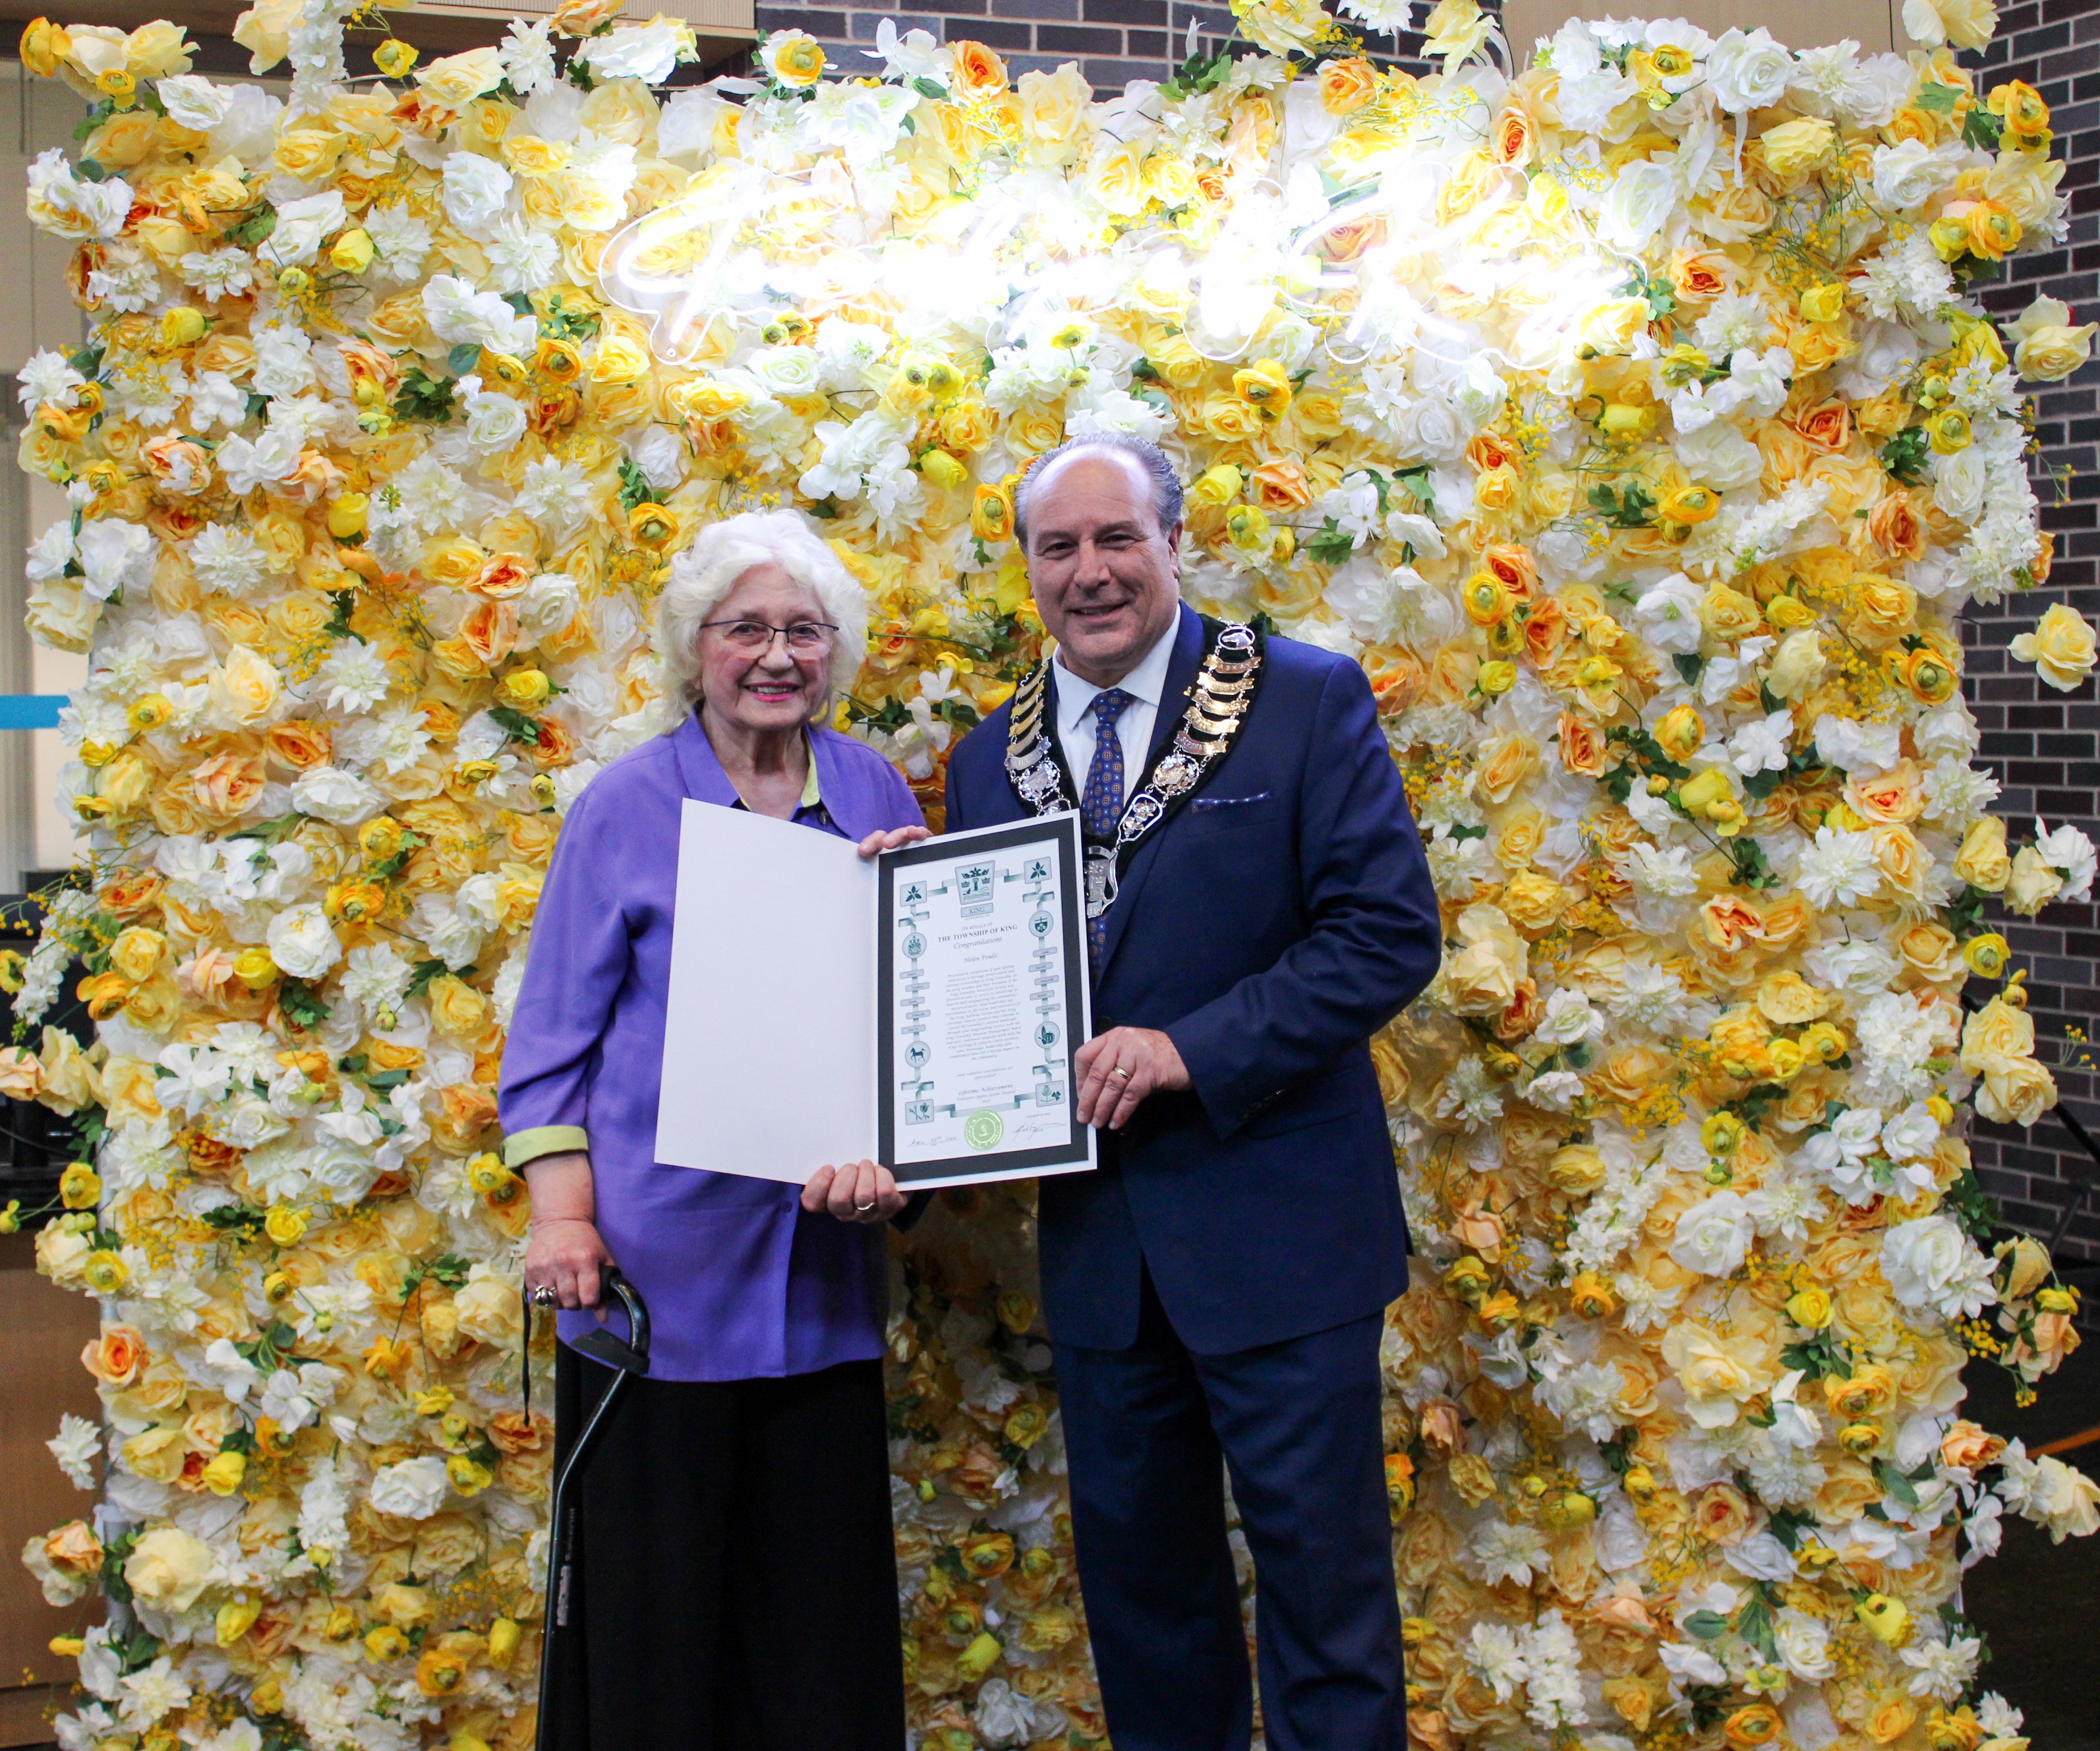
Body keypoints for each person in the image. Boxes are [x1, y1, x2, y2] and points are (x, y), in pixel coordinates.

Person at [943, 436, 1443, 1751]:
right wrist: (907, 919)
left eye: (1118, 539)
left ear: (1175, 542)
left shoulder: (1302, 699)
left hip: (1282, 1237)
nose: (1091, 571)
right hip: (1105, 1260)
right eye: (1060, 546)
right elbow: (986, 982)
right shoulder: (986, 761)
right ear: (1030, 568)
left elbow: (1385, 932)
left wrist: (1191, 1048)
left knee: (1327, 1603)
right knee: (1148, 1608)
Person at [500, 509, 923, 1750]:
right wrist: (563, 1219)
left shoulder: (875, 790)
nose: (776, 655)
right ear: (697, 650)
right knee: (656, 1625)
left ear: (834, 652)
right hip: (654, 1290)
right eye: (747, 629)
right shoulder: (626, 808)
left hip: (822, 1280)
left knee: (817, 1632)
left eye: (804, 629)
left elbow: (916, 1018)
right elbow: (549, 1048)